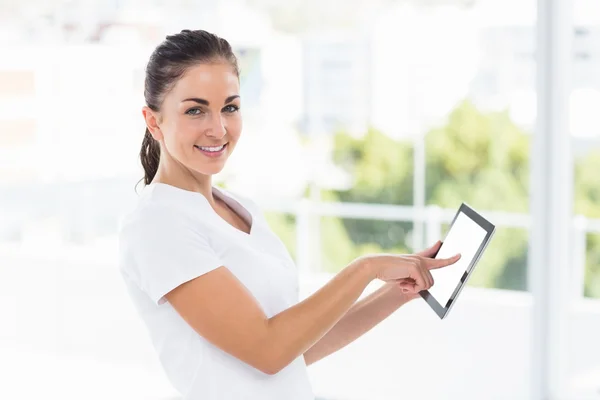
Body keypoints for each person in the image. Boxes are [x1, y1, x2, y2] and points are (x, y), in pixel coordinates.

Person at [118, 29, 461, 400]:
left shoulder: (238, 207)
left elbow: (295, 347)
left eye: (230, 107)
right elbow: (267, 351)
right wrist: (365, 269)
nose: (218, 129)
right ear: (153, 121)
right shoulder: (158, 224)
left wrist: (397, 292)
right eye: (195, 110)